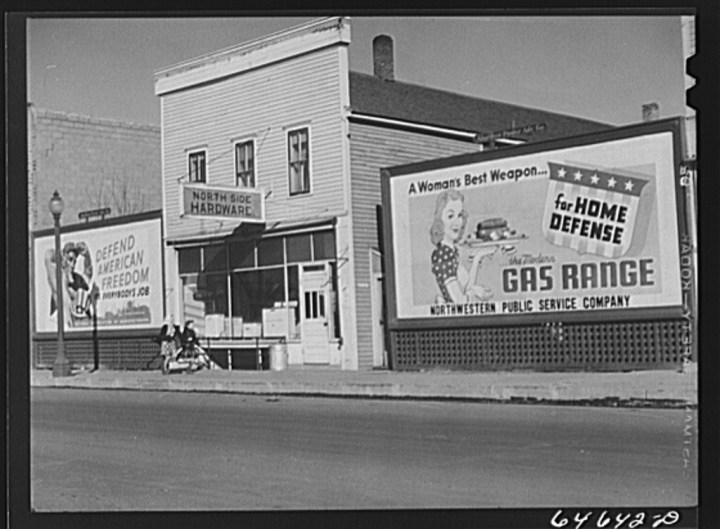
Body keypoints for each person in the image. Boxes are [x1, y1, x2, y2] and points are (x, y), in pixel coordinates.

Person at [429, 189, 496, 303]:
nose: (457, 222)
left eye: (459, 215)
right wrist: (475, 292)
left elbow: (466, 289)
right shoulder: (443, 254)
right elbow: (459, 302)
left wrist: (478, 257)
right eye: (450, 216)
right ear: (440, 220)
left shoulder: (451, 251)